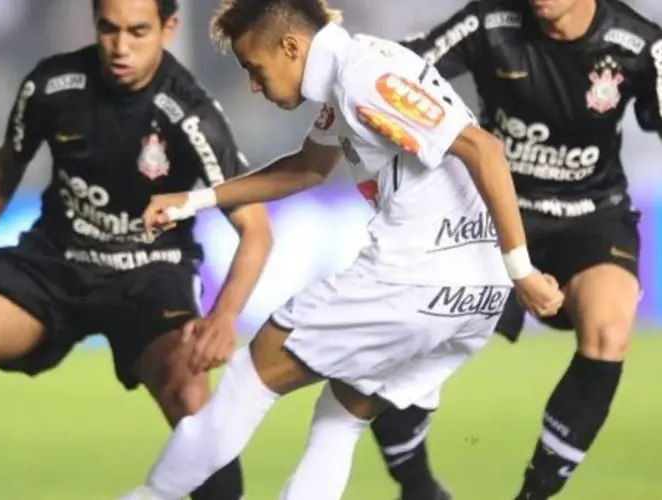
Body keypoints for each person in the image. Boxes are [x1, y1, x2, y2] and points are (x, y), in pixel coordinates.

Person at [119, 0, 565, 498]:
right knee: (339, 419)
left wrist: (522, 270)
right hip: (471, 299)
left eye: (254, 68)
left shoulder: (364, 78)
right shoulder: (352, 75)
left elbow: (485, 150)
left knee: (249, 376)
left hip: (415, 279)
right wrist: (195, 200)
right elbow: (307, 168)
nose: (253, 84)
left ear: (290, 46)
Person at [0, 1, 273, 499]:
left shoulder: (191, 114)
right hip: (55, 263)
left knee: (189, 394)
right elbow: (7, 163)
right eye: (109, 29)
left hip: (149, 274)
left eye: (138, 32)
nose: (121, 46)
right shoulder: (53, 85)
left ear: (168, 29)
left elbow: (256, 228)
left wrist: (223, 317)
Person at [369, 0, 662, 498]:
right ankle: (417, 486)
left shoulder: (639, 44)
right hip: (493, 212)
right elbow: (406, 69)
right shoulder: (490, 19)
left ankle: (534, 494)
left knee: (610, 329)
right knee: (408, 340)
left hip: (590, 216)